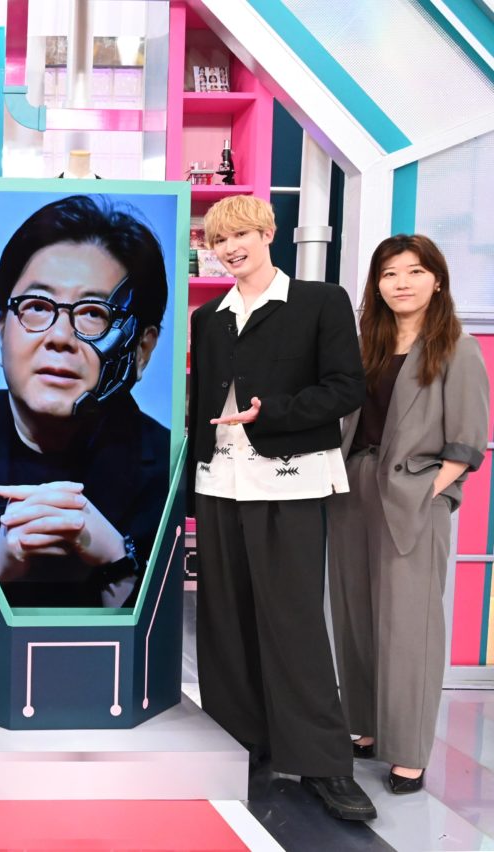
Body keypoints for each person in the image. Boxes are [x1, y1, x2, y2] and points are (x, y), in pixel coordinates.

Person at [187, 195, 375, 821]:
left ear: (269, 232)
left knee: (294, 623)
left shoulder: (320, 301)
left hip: (288, 481)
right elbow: (199, 407)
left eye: (240, 233)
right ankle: (241, 744)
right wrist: (189, 486)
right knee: (225, 621)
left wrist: (273, 415)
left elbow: (346, 388)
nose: (230, 247)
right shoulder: (208, 317)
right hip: (220, 482)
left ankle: (324, 763)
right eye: (219, 240)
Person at [0, 194, 170, 608]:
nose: (60, 337)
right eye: (36, 306)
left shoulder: (167, 467)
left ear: (142, 349)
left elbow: (163, 628)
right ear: (2, 328)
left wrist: (117, 563)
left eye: (94, 313)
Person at [329, 234, 489, 794]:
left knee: (409, 625)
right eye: (389, 273)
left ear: (437, 280)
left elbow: (467, 443)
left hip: (413, 493)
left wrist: (428, 493)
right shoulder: (364, 345)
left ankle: (409, 751)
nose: (402, 282)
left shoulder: (456, 348)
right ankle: (366, 727)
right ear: (377, 284)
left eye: (415, 271)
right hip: (353, 487)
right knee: (354, 615)